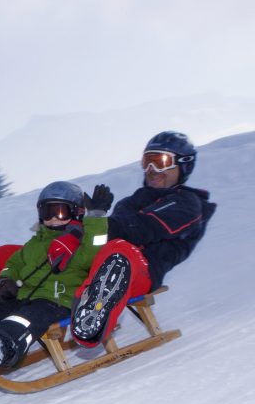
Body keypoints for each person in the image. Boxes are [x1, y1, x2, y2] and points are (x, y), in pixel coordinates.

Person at [0, 181, 109, 371]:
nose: (52, 219)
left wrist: (96, 217)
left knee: (23, 320)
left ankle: (3, 347)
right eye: (47, 212)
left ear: (77, 212)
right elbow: (14, 264)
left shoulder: (81, 241)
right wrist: (5, 280)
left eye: (60, 212)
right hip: (25, 296)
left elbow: (94, 252)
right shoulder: (36, 242)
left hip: (58, 301)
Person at [70, 131, 217, 346]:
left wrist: (98, 223)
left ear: (184, 165)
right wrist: (78, 226)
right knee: (29, 251)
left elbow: (142, 228)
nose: (152, 169)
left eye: (161, 162)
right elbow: (103, 239)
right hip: (99, 264)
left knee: (119, 250)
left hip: (141, 271)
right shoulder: (130, 202)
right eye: (148, 161)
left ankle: (91, 319)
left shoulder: (187, 204)